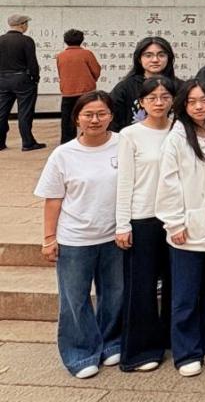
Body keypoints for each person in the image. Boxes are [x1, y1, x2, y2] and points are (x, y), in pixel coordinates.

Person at [33, 91, 122, 378]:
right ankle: (80, 353)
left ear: (111, 116)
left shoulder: (123, 145)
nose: (95, 120)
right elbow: (53, 199)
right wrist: (49, 238)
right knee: (75, 299)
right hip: (75, 238)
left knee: (115, 294)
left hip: (114, 236)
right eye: (88, 115)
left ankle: (111, 342)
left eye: (101, 114)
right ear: (77, 119)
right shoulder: (64, 154)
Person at [154, 79, 205, 377]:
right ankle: (186, 350)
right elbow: (168, 183)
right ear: (183, 105)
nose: (199, 106)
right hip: (186, 228)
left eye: (204, 100)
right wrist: (174, 222)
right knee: (185, 294)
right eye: (192, 101)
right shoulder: (175, 139)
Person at [114, 76, 176, 372]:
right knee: (142, 286)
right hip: (143, 217)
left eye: (165, 97)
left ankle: (171, 339)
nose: (159, 103)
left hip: (175, 217)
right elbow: (124, 180)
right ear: (141, 102)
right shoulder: (130, 135)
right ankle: (141, 350)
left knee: (175, 283)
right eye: (152, 98)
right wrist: (122, 223)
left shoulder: (180, 129)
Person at [110, 37, 180, 131]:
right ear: (139, 59)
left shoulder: (180, 87)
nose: (155, 60)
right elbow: (113, 121)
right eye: (148, 55)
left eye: (161, 55)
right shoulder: (125, 87)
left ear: (169, 58)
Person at [0, 13, 45, 151]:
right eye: (26, 24)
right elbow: (32, 62)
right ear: (22, 25)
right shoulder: (26, 40)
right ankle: (27, 143)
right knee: (25, 112)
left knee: (2, 112)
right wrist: (35, 78)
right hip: (22, 79)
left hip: (2, 80)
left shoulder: (0, 39)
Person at [55, 29, 102, 144]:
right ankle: (90, 139)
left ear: (65, 40)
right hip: (87, 91)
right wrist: (91, 80)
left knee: (67, 119)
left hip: (67, 92)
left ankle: (67, 142)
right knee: (89, 116)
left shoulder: (61, 56)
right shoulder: (87, 54)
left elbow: (61, 73)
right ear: (82, 40)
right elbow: (96, 70)